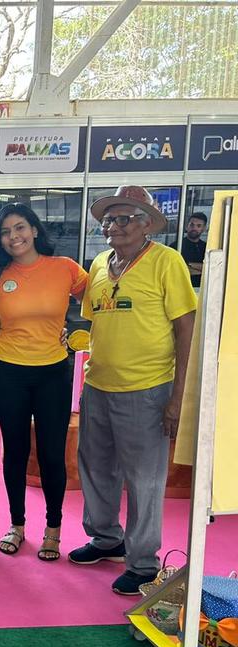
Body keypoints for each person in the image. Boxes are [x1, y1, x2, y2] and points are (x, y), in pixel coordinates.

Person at [68, 186, 196, 595]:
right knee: (96, 468)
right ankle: (107, 539)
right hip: (97, 384)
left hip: (148, 388)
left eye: (125, 218)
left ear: (147, 224)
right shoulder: (100, 263)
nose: (114, 226)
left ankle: (142, 563)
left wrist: (178, 396)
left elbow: (186, 328)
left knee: (144, 479)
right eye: (109, 219)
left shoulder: (166, 261)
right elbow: (95, 322)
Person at [0, 203, 87, 561]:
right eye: (5, 232)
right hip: (8, 372)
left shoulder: (65, 268)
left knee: (51, 454)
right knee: (14, 453)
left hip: (53, 374)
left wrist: (76, 332)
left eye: (19, 228)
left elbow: (98, 303)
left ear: (34, 229)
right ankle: (16, 525)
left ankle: (53, 529)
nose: (13, 237)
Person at [181, 211, 208, 288]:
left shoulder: (206, 247)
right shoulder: (177, 245)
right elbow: (180, 270)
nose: (194, 228)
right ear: (187, 226)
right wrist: (202, 269)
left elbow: (210, 269)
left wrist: (190, 264)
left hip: (203, 289)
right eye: (192, 225)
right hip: (182, 288)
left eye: (198, 226)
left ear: (204, 228)